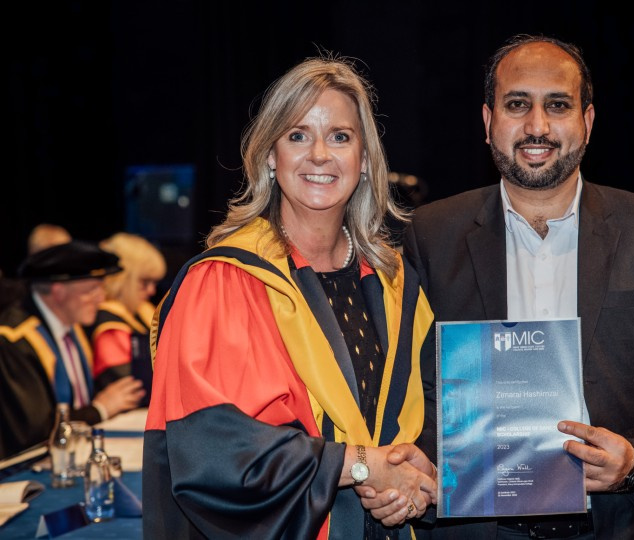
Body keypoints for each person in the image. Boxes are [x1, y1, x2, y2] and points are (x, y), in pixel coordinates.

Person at [399, 35, 634, 539]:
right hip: (477, 525)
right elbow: (412, 389)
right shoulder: (430, 234)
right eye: (517, 105)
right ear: (488, 124)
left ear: (587, 122)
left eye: (558, 105)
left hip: (624, 524)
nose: (537, 126)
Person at [142, 55, 438, 539]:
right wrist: (363, 465)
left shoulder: (396, 281)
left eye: (340, 136)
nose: (319, 154)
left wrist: (407, 477)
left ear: (364, 161)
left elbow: (431, 404)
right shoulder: (222, 283)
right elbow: (211, 452)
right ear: (268, 157)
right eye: (297, 135)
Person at [0, 241, 147, 459]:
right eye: (92, 289)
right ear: (58, 292)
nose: (101, 298)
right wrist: (99, 409)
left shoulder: (74, 327)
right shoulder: (14, 340)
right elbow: (32, 432)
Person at [87, 232, 166, 399]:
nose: (152, 291)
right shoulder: (108, 322)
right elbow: (132, 385)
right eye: (144, 282)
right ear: (123, 279)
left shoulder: (142, 311)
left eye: (154, 283)